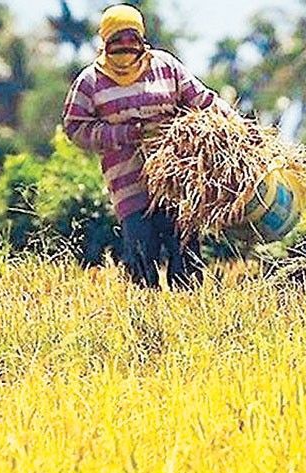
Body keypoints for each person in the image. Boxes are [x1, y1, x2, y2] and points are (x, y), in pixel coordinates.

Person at [62, 4, 234, 289]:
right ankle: (144, 325)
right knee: (142, 259)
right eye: (117, 39)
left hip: (176, 182)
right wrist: (129, 133)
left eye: (132, 37)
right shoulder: (90, 81)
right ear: (105, 42)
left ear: (142, 39)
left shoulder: (165, 67)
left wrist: (238, 125)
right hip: (129, 186)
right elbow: (75, 127)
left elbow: (203, 101)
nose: (126, 44)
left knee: (186, 259)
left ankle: (190, 321)